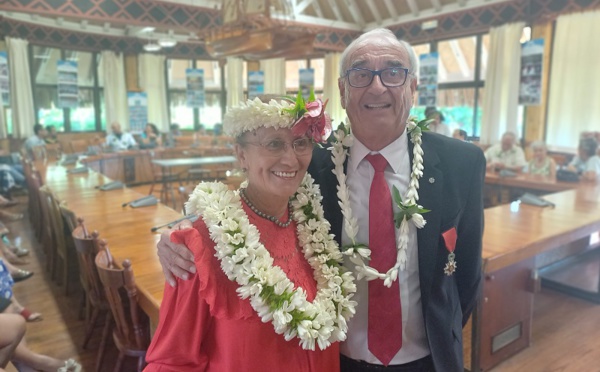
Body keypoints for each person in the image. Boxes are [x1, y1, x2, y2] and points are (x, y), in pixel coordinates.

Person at [157, 28, 485, 371]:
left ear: (413, 87)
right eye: (360, 74)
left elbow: (468, 275)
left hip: (429, 360)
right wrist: (178, 232)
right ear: (342, 91)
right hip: (336, 360)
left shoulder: (461, 163)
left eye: (393, 72)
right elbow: (248, 194)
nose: (377, 86)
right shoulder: (309, 163)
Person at [144, 95, 356, 371]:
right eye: (273, 144)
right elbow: (172, 360)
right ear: (241, 154)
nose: (290, 159)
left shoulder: (319, 219)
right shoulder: (199, 245)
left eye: (300, 143)